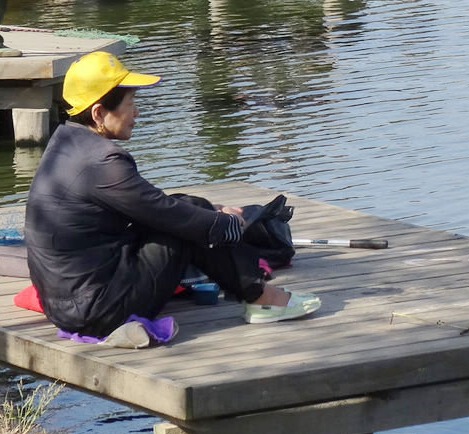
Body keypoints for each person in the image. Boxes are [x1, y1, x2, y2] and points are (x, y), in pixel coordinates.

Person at [26, 51, 320, 343]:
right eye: (131, 104)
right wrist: (227, 224)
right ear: (99, 113)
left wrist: (212, 213)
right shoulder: (104, 162)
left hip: (66, 304)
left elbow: (151, 205)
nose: (137, 112)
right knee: (192, 219)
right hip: (98, 310)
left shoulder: (65, 142)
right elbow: (171, 215)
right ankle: (261, 297)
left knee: (190, 209)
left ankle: (254, 289)